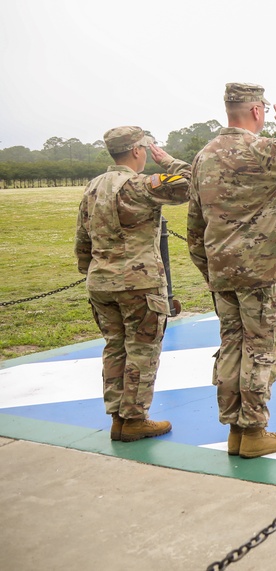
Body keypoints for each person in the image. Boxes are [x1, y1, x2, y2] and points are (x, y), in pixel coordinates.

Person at [188, 82, 276, 460]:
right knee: (262, 349)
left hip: (221, 269)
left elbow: (194, 223)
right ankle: (254, 430)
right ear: (256, 112)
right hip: (261, 271)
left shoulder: (204, 155)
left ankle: (235, 428)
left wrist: (209, 267)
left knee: (232, 344)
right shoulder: (263, 151)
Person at [75, 127, 190, 442]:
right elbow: (194, 184)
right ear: (138, 150)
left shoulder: (93, 187)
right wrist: (169, 162)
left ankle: (118, 418)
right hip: (139, 283)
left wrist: (91, 271)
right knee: (142, 349)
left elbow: (82, 239)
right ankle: (135, 419)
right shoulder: (142, 185)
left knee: (114, 348)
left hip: (100, 283)